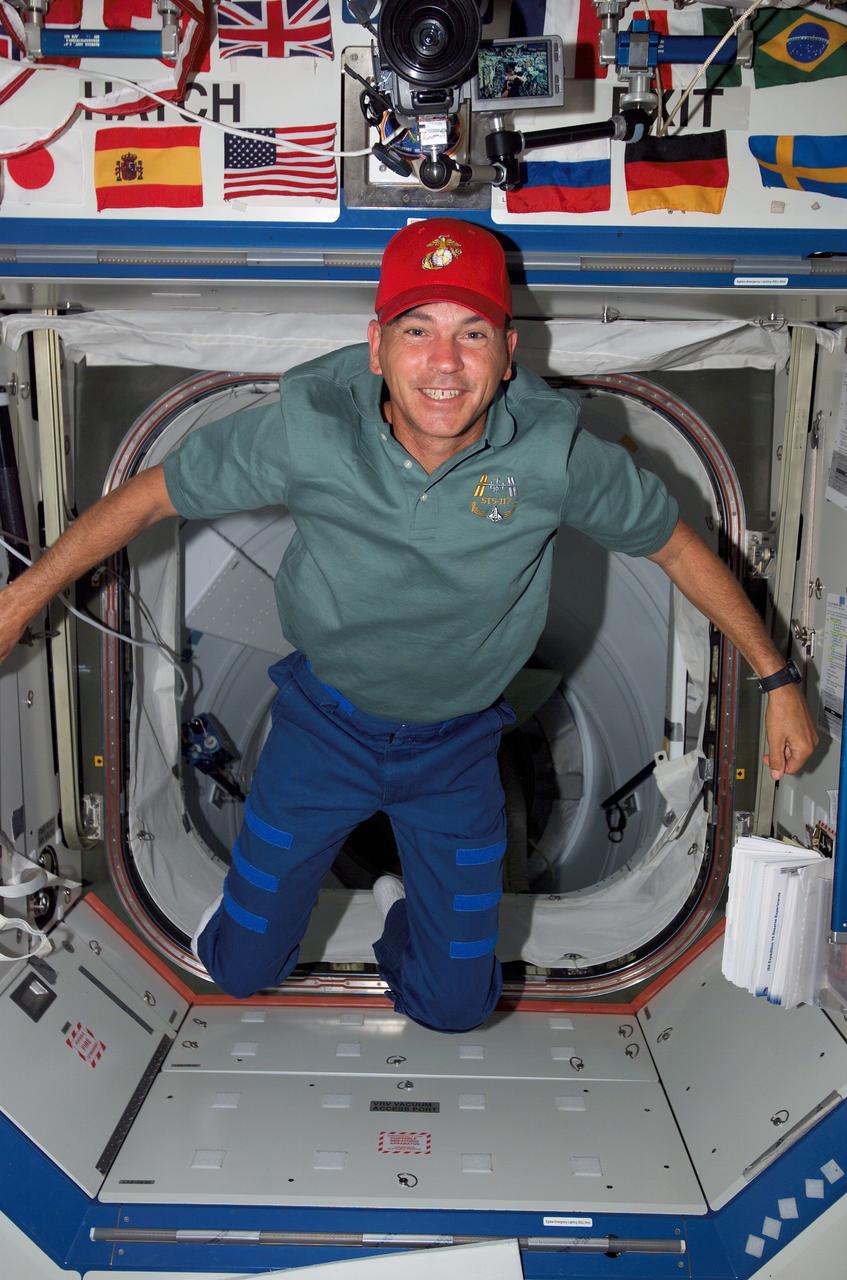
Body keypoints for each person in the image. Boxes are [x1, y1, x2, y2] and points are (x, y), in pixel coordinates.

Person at [0, 218, 818, 1033]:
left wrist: (776, 680)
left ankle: (400, 914)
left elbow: (678, 548)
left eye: (471, 334)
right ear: (376, 346)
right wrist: (19, 600)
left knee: (457, 1006)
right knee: (239, 969)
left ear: (506, 354)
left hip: (455, 754)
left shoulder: (556, 456)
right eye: (416, 330)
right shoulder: (306, 429)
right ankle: (276, 911)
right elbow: (149, 495)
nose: (443, 363)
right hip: (322, 731)